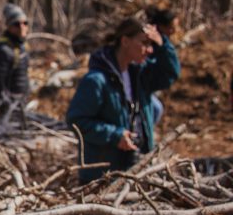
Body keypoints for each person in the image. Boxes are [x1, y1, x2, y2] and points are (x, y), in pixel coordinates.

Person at [66, 15, 181, 183]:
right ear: (125, 41)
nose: (149, 50)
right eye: (144, 43)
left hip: (135, 170)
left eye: (151, 44)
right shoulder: (96, 80)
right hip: (102, 176)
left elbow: (170, 73)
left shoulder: (140, 75)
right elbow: (76, 121)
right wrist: (115, 135)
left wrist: (163, 44)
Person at [0, 3, 31, 126]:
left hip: (22, 102)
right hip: (8, 106)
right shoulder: (2, 50)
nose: (22, 27)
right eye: (16, 24)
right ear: (8, 26)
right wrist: (5, 101)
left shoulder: (23, 47)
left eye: (25, 23)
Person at [145, 6, 179, 123]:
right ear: (161, 26)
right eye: (171, 27)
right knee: (156, 109)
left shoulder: (163, 43)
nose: (174, 31)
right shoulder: (152, 43)